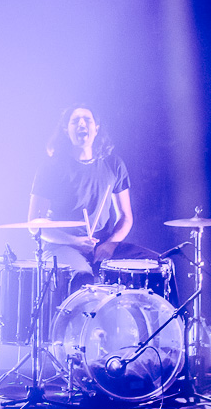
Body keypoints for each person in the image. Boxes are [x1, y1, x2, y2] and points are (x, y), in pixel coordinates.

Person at [28, 105, 149, 280]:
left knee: (158, 266)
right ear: (66, 130)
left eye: (87, 120)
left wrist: (111, 244)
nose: (81, 124)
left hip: (103, 245)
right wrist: (74, 241)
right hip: (62, 246)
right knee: (83, 276)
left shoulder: (114, 164)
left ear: (96, 128)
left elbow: (125, 216)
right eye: (75, 121)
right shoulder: (51, 167)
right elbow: (34, 224)